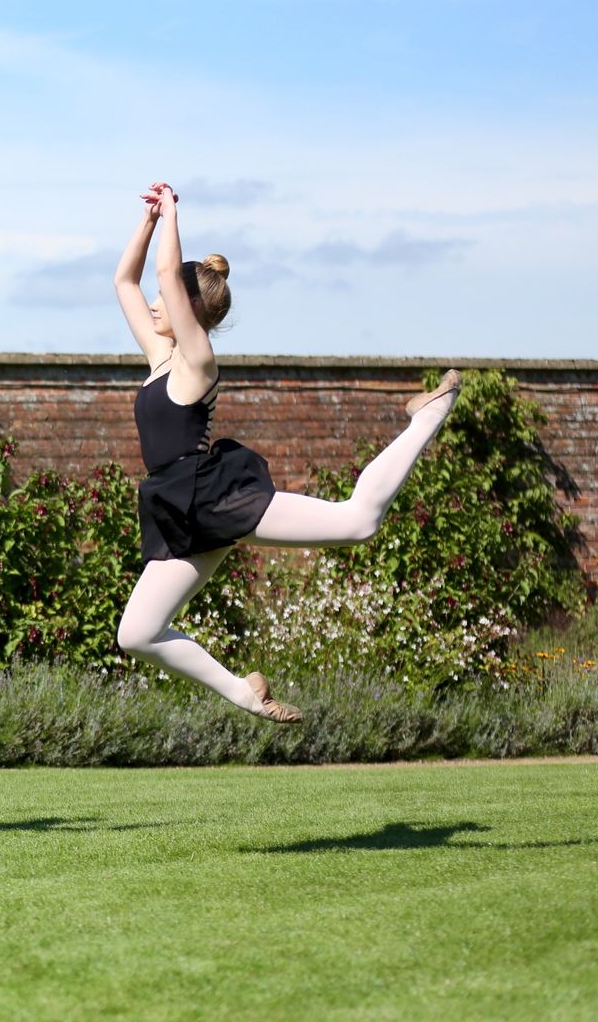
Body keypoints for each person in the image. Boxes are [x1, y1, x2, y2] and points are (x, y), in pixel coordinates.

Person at [111, 182, 461, 721]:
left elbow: (162, 276)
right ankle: (247, 693)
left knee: (358, 522)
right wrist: (149, 221)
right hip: (176, 508)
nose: (156, 304)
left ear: (191, 306)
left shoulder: (197, 360)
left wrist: (174, 212)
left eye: (169, 298)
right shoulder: (161, 357)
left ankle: (428, 416)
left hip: (213, 494)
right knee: (136, 633)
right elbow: (125, 282)